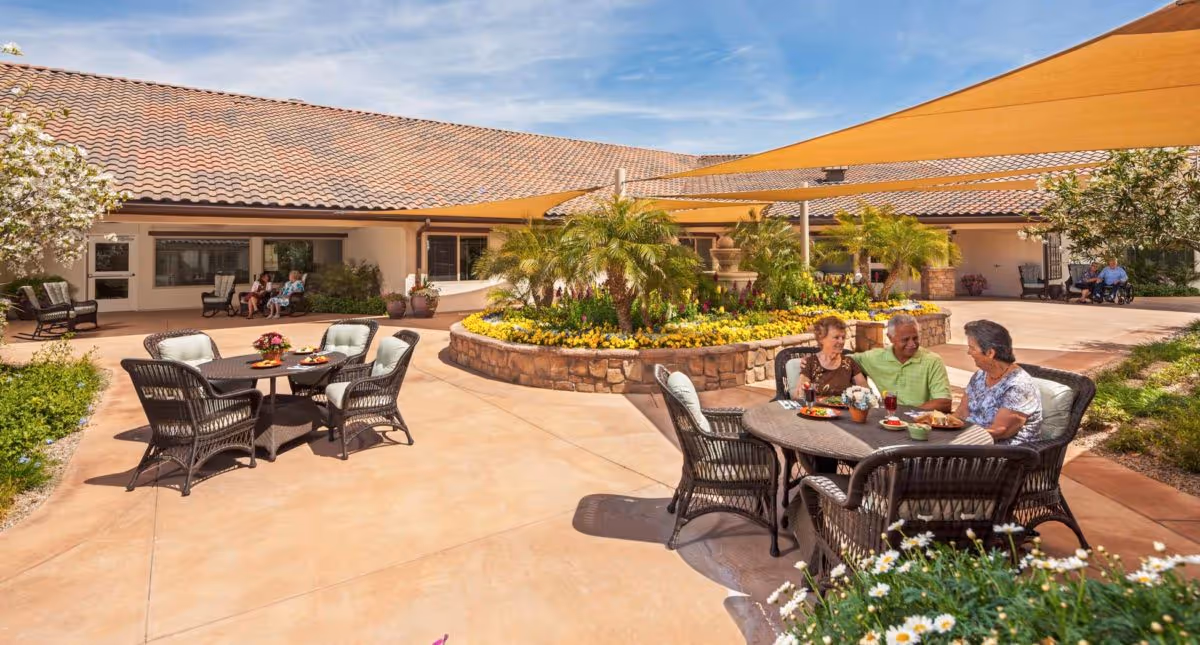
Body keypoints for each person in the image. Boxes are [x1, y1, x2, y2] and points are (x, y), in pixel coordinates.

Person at [956, 320, 1043, 445]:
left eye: (972, 348)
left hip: (1004, 452)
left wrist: (959, 439)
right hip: (971, 442)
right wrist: (942, 426)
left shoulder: (1018, 386)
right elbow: (962, 412)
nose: (968, 352)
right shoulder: (980, 375)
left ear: (990, 353)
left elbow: (1000, 431)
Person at [853, 314, 953, 412]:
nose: (912, 344)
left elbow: (944, 402)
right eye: (905, 339)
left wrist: (911, 415)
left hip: (920, 423)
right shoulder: (875, 357)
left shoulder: (933, 361)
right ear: (890, 338)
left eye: (915, 338)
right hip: (887, 420)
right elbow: (844, 359)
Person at [795, 316, 867, 398]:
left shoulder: (849, 363)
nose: (841, 341)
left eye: (843, 337)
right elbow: (799, 394)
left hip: (845, 409)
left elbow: (866, 391)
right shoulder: (811, 362)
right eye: (836, 337)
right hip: (819, 410)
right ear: (821, 339)